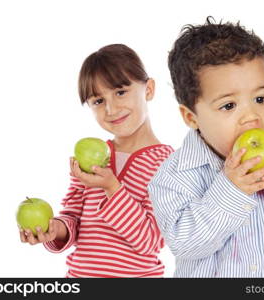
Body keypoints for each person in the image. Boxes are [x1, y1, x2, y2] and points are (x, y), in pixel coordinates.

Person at [148, 17, 264, 277]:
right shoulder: (174, 176)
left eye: (260, 99)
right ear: (191, 117)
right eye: (228, 105)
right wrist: (231, 190)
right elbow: (185, 243)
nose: (252, 117)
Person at [19, 44, 174, 278]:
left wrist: (112, 188)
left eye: (120, 92)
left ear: (149, 89)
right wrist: (54, 230)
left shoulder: (170, 165)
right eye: (98, 101)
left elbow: (149, 241)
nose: (111, 109)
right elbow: (72, 218)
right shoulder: (88, 159)